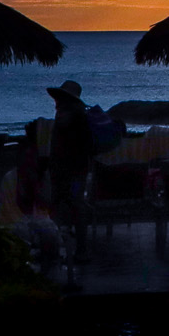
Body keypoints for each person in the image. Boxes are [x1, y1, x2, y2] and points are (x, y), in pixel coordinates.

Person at [48, 80, 94, 261]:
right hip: (73, 172)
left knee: (71, 206)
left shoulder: (69, 116)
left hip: (71, 172)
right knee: (73, 206)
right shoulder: (77, 116)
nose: (57, 103)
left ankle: (71, 248)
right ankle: (72, 247)